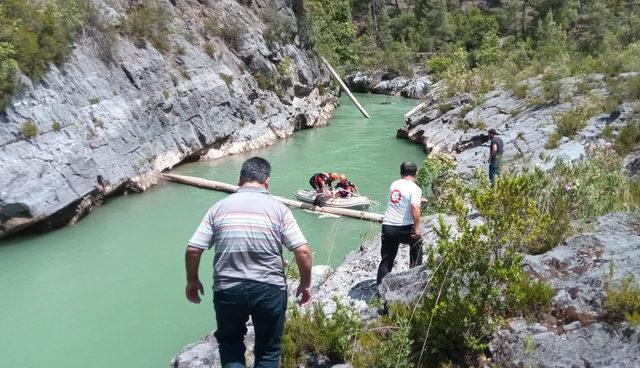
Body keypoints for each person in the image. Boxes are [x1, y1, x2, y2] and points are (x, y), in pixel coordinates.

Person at [184, 157, 313, 368]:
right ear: (267, 182)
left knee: (231, 344)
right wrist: (305, 284)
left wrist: (192, 280)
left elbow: (193, 249)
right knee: (269, 352)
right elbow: (303, 251)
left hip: (228, 289)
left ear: (240, 179)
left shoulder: (218, 208)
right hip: (269, 289)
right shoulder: (279, 210)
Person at [376, 161, 424, 286]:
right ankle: (414, 278)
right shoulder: (415, 188)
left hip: (388, 226)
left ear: (401, 172)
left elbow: (401, 200)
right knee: (417, 244)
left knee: (386, 259)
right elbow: (414, 207)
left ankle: (381, 288)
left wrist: (418, 200)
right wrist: (417, 229)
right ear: (415, 173)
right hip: (405, 228)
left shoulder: (394, 184)